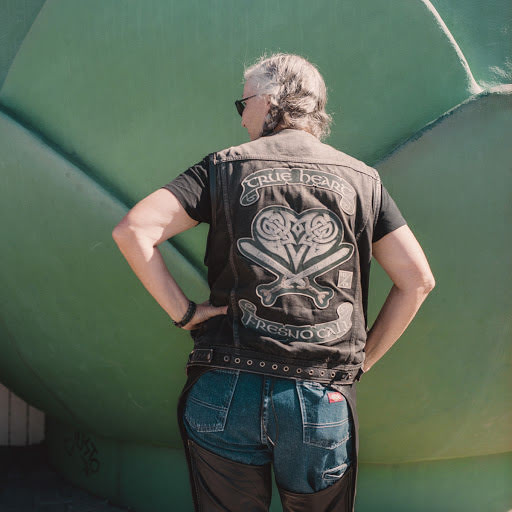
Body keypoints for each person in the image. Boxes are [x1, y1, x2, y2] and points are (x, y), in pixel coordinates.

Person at [112, 53, 435, 512]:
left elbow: (133, 230)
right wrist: (359, 364)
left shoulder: (222, 168)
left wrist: (184, 312)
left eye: (242, 104)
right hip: (319, 395)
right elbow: (418, 280)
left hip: (224, 387)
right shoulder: (364, 182)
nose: (242, 118)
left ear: (267, 102)